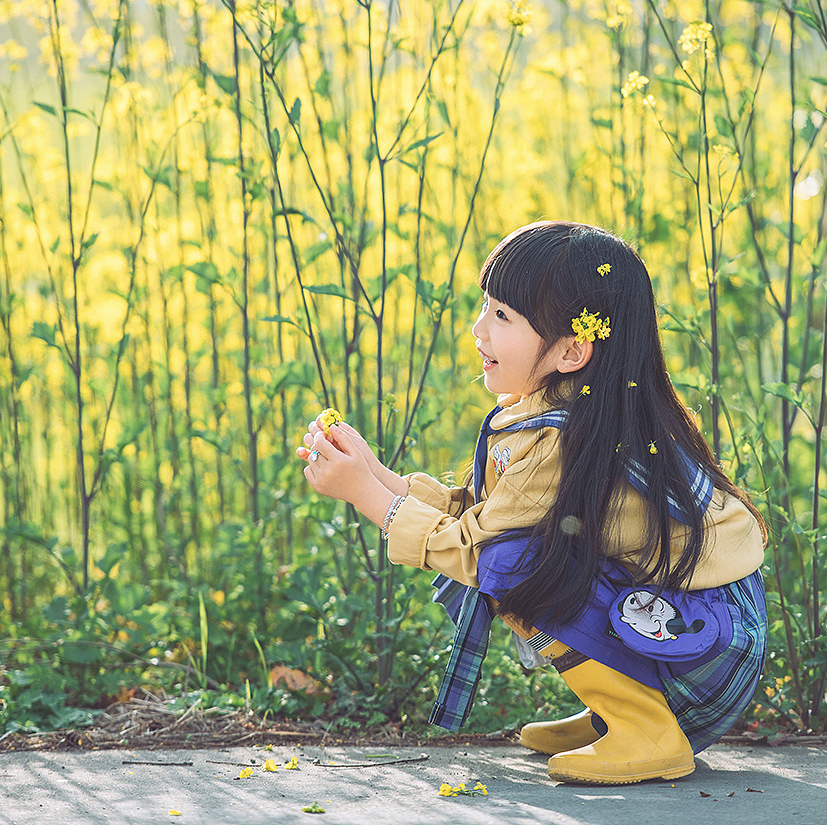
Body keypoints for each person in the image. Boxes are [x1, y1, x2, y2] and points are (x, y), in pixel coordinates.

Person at [297, 220, 767, 786]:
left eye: (503, 317)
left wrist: (366, 496)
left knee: (512, 566)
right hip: (699, 639)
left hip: (704, 658)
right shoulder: (570, 413)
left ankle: (646, 725)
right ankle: (619, 711)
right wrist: (374, 473)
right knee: (516, 552)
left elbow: (481, 548)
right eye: (486, 306)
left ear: (572, 350)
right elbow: (484, 514)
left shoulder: (566, 438)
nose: (479, 329)